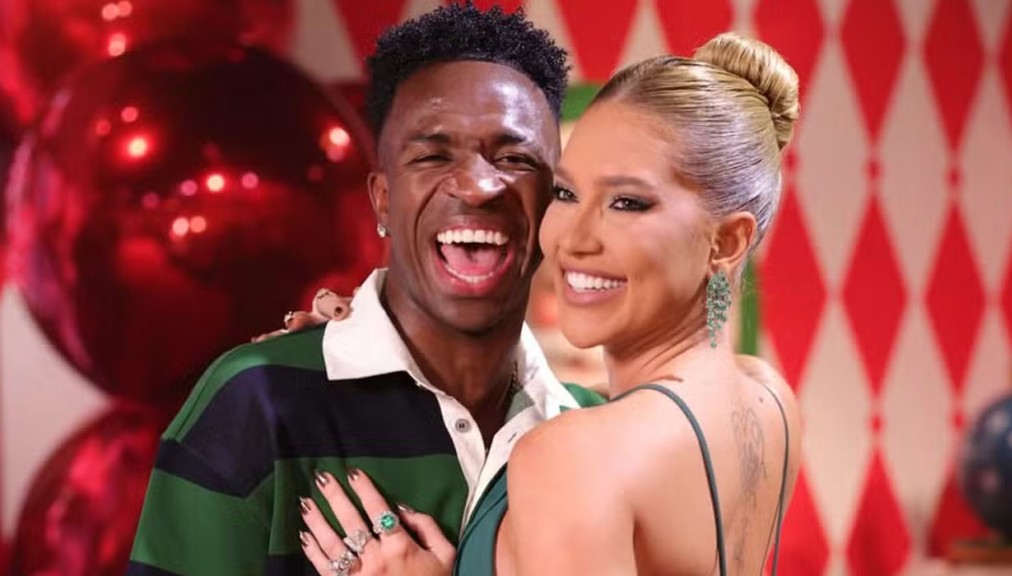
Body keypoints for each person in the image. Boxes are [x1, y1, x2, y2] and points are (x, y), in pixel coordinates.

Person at [295, 32, 805, 576]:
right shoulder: (767, 401)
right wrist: (376, 326)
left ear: (726, 242)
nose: (572, 239)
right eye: (565, 193)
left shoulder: (570, 458)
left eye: (627, 203)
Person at [126, 4, 607, 575]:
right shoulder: (258, 401)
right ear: (382, 200)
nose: (479, 186)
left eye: (514, 157)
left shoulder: (598, 435)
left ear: (556, 200)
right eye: (433, 155)